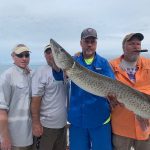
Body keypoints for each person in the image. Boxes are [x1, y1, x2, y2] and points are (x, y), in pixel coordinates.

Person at [68, 28, 115, 150]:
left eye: (92, 41)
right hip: (77, 120)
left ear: (96, 44)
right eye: (86, 41)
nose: (89, 44)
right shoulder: (73, 62)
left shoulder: (104, 63)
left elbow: (113, 87)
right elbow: (58, 75)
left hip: (100, 119)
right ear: (81, 43)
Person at [109, 33, 150, 150]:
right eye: (132, 44)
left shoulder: (148, 64)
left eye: (138, 44)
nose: (136, 46)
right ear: (124, 47)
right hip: (121, 128)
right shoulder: (111, 66)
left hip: (145, 128)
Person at [31, 44, 68, 150]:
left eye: (53, 51)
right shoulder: (40, 72)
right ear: (44, 55)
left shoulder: (65, 71)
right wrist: (36, 123)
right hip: (46, 127)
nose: (51, 54)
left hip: (62, 125)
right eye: (48, 52)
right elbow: (35, 101)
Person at [0, 44, 33, 150]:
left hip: (29, 136)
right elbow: (2, 111)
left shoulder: (30, 74)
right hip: (13, 138)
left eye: (26, 55)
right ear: (13, 56)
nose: (24, 58)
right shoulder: (6, 76)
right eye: (20, 55)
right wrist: (5, 138)